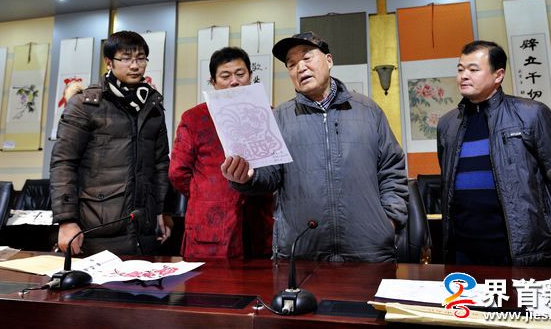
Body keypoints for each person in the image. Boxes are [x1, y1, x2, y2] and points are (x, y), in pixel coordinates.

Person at [222, 32, 408, 262]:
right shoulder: (279, 117)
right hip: (302, 252)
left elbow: (392, 168)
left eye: (307, 58)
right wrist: (247, 177)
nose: (300, 68)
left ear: (329, 61)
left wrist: (390, 221)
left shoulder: (368, 111)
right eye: (291, 64)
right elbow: (269, 175)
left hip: (369, 251)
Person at [437, 40, 551, 266]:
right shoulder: (448, 124)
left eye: (473, 70)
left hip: (519, 249)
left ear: (498, 75)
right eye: (460, 69)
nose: (464, 76)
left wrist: (542, 223)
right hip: (464, 249)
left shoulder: (532, 114)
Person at [50, 31, 171, 256]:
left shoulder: (153, 106)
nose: (134, 65)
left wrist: (161, 211)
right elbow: (64, 163)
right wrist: (66, 220)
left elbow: (161, 163)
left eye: (141, 58)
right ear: (109, 62)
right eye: (125, 58)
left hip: (144, 228)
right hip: (97, 226)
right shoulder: (85, 105)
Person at [169, 47, 274, 260]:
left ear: (250, 76)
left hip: (259, 221)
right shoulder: (194, 118)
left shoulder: (267, 113)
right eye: (225, 76)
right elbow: (178, 172)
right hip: (211, 226)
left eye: (240, 74)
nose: (234, 81)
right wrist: (206, 194)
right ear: (213, 82)